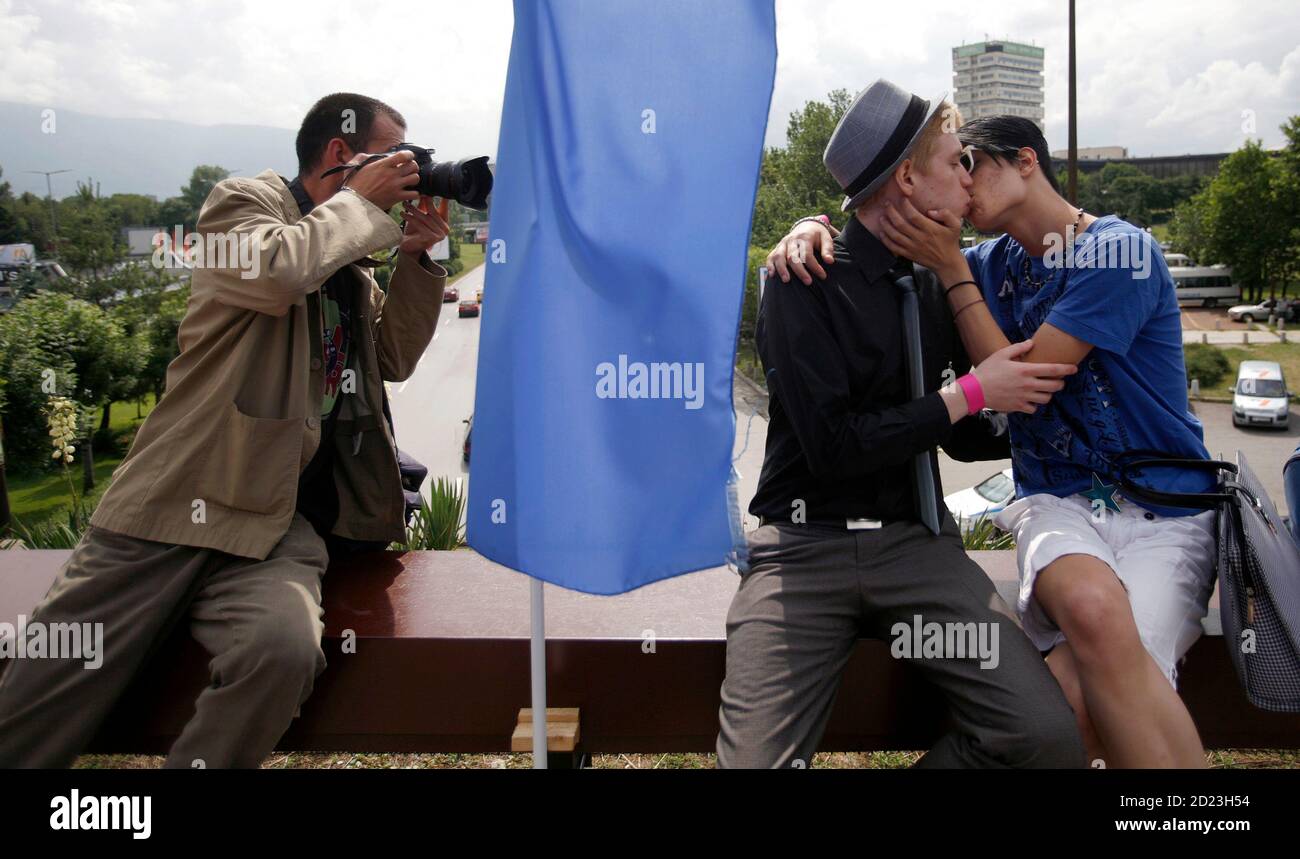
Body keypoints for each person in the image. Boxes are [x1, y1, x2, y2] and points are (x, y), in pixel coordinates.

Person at [0, 93, 451, 768]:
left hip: (272, 524)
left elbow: (392, 358)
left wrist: (415, 257)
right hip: (174, 503)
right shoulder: (243, 205)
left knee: (283, 652)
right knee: (41, 696)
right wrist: (360, 203)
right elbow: (277, 273)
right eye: (396, 158)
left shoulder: (348, 266)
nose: (407, 174)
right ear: (341, 152)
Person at [766, 113, 1218, 768]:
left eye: (971, 162)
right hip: (1061, 503)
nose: (962, 181)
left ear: (1026, 161)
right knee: (1089, 625)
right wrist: (812, 226)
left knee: (1075, 708)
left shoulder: (1116, 253)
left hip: (1163, 505)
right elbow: (879, 231)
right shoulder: (985, 264)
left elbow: (1029, 382)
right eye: (954, 164)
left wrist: (952, 268)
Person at [717, 80, 1087, 769]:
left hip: (917, 547)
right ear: (909, 180)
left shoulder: (939, 279)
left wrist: (1014, 413)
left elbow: (959, 435)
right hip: (803, 550)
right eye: (956, 160)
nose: (969, 175)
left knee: (1044, 740)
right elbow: (833, 448)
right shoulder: (802, 280)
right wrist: (970, 392)